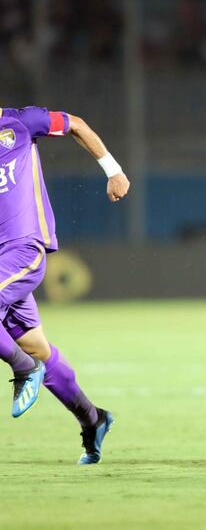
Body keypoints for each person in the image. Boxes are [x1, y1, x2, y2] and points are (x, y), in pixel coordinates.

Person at [0, 105, 129, 464]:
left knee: (28, 358)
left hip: (24, 248)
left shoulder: (19, 122)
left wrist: (113, 171)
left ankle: (23, 369)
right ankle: (93, 418)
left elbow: (77, 124)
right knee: (37, 347)